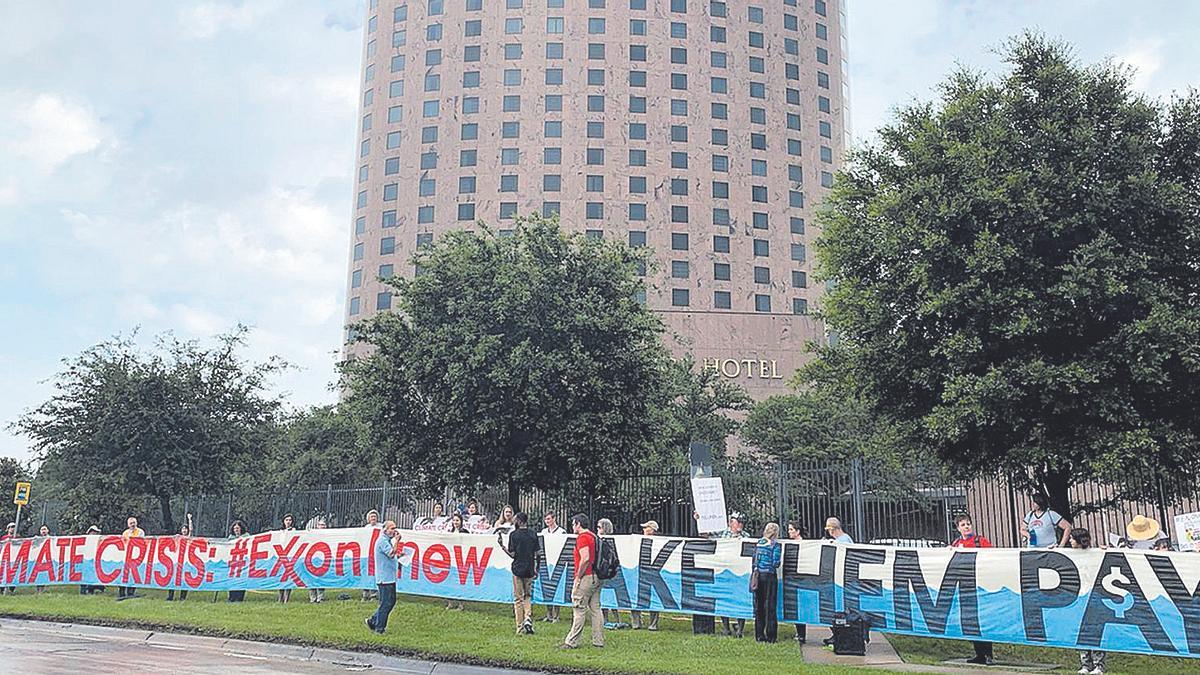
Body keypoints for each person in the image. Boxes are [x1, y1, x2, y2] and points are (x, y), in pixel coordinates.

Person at [950, 514, 993, 665]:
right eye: (963, 525)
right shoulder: (956, 544)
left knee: (983, 619)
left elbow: (992, 556)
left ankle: (988, 653)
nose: (967, 526)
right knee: (971, 620)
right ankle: (979, 654)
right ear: (958, 528)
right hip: (965, 587)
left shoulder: (980, 541)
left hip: (980, 585)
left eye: (968, 524)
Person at [560, 513, 604, 649]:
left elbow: (585, 558)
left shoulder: (583, 538)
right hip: (597, 576)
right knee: (596, 608)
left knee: (579, 608)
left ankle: (571, 641)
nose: (572, 526)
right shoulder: (594, 536)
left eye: (573, 524)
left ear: (578, 524)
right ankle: (598, 640)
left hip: (586, 577)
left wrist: (578, 577)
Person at [1071, 528, 1106, 674]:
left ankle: (1099, 664)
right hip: (1079, 597)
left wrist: (1105, 550)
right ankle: (1086, 663)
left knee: (1096, 630)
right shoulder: (1070, 555)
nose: (1070, 541)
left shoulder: (1095, 554)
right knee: (1081, 631)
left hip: (1095, 597)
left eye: (1072, 539)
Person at [502, 512, 539, 635]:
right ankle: (528, 617)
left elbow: (512, 554)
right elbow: (537, 553)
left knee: (518, 598)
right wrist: (536, 568)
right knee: (527, 596)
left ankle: (520, 627)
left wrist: (502, 547)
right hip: (529, 569)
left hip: (518, 568)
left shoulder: (514, 535)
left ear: (519, 521)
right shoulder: (533, 534)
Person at [715, 514, 750, 637]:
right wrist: (699, 520)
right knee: (723, 598)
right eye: (737, 522)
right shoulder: (723, 534)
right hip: (725, 572)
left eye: (741, 522)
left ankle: (740, 629)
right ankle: (726, 628)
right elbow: (705, 536)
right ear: (730, 523)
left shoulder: (746, 536)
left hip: (740, 574)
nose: (740, 524)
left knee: (740, 599)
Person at [366, 520, 402, 634]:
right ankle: (379, 627)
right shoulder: (382, 541)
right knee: (386, 603)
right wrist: (397, 541)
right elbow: (391, 553)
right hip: (384, 578)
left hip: (389, 577)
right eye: (392, 528)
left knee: (390, 601)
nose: (394, 531)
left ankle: (373, 620)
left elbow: (391, 555)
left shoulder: (386, 540)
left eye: (395, 528)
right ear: (385, 529)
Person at [753, 523, 782, 643]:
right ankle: (771, 635)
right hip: (769, 576)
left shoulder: (759, 543)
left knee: (759, 605)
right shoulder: (775, 545)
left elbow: (754, 559)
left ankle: (759, 634)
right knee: (770, 605)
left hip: (759, 575)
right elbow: (776, 563)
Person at [630, 520, 661, 631]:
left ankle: (653, 624)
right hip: (638, 571)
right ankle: (636, 623)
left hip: (652, 572)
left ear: (652, 530)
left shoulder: (659, 542)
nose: (643, 530)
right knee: (634, 596)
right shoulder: (638, 541)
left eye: (646, 528)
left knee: (654, 598)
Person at [596, 518, 624, 629]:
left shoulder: (611, 540)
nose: (597, 529)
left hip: (610, 571)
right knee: (602, 597)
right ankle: (605, 619)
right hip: (602, 571)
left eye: (599, 527)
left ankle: (617, 619)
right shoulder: (597, 539)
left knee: (612, 597)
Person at [541, 512, 566, 623]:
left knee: (557, 589)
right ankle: (549, 614)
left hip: (557, 561)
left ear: (554, 519)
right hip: (547, 561)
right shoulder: (544, 532)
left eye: (549, 519)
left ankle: (557, 615)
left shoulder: (561, 532)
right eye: (546, 519)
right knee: (547, 589)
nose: (548, 521)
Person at [787, 521, 808, 643]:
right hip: (792, 578)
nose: (789, 532)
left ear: (797, 531)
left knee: (800, 607)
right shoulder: (790, 543)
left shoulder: (804, 544)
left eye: (791, 529)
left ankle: (801, 634)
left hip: (801, 579)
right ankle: (799, 632)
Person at [118, 516, 145, 601]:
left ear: (136, 523)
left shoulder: (140, 532)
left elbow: (141, 542)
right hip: (126, 556)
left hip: (135, 556)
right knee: (123, 574)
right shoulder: (125, 533)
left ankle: (131, 592)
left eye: (134, 523)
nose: (132, 525)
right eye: (131, 523)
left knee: (133, 574)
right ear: (128, 524)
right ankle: (121, 592)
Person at [444, 513, 467, 610]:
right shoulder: (450, 532)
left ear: (461, 521)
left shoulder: (465, 532)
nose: (455, 522)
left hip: (460, 559)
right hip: (451, 559)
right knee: (449, 581)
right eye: (454, 520)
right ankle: (450, 602)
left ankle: (461, 604)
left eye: (457, 520)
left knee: (459, 583)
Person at [166, 524, 192, 601]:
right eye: (183, 529)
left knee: (184, 579)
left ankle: (182, 597)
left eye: (185, 529)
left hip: (185, 561)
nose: (184, 530)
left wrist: (190, 520)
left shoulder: (189, 538)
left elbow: (191, 531)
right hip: (177, 561)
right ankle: (170, 596)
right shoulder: (178, 538)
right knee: (172, 578)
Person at [228, 520, 249, 602]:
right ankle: (231, 597)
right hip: (233, 562)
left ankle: (240, 598)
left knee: (241, 580)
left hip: (243, 561)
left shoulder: (246, 536)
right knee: (232, 580)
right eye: (235, 528)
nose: (236, 530)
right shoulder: (231, 538)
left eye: (238, 528)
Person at [307, 517, 327, 603]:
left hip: (323, 559)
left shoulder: (329, 535)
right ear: (317, 526)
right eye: (320, 525)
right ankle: (312, 597)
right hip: (313, 558)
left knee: (321, 578)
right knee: (311, 578)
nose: (321, 526)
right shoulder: (312, 535)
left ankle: (320, 597)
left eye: (323, 525)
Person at [277, 514, 296, 603]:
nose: (288, 522)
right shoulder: (280, 531)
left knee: (288, 577)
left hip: (290, 556)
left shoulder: (294, 531)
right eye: (286, 520)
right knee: (280, 577)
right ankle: (280, 597)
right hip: (281, 556)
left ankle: (286, 598)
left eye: (290, 520)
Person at [80, 525, 103, 595]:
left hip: (94, 561)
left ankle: (91, 590)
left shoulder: (98, 541)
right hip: (86, 560)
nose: (94, 534)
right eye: (93, 532)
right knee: (84, 575)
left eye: (95, 532)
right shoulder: (85, 540)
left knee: (93, 575)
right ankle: (83, 591)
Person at [35, 525, 51, 593]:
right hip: (39, 560)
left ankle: (42, 589)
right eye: (42, 530)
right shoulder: (37, 540)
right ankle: (38, 589)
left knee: (44, 574)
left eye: (45, 529)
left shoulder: (51, 539)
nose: (43, 531)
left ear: (48, 531)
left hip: (47, 560)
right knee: (38, 574)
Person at [0, 522, 13, 596]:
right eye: (11, 527)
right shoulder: (4, 537)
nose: (12, 529)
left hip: (13, 559)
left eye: (13, 527)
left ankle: (11, 589)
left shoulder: (17, 537)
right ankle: (2, 589)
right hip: (4, 558)